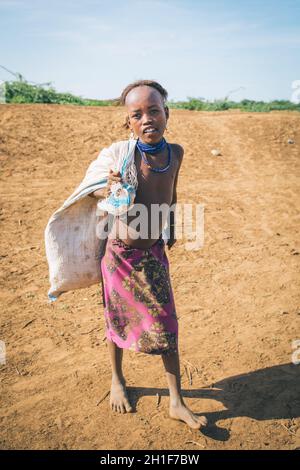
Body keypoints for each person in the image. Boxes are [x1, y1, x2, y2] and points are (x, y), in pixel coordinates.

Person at [91, 80, 207, 430]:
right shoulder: (124, 155)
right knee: (117, 321)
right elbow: (97, 184)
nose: (147, 119)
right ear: (129, 123)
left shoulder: (177, 153)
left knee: (167, 324)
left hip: (153, 253)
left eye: (153, 110)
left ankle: (176, 402)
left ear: (166, 114)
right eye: (137, 115)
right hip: (120, 257)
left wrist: (169, 225)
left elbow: (171, 193)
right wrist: (109, 183)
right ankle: (117, 379)